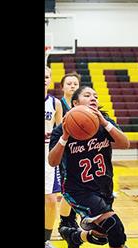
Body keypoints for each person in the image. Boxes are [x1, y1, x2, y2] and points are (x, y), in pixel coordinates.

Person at [48, 86, 138, 248]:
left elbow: (125, 143)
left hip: (103, 188)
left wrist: (104, 123)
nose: (93, 98)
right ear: (74, 104)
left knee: (102, 235)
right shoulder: (62, 129)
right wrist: (65, 136)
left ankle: (73, 236)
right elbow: (52, 161)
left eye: (95, 95)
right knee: (114, 226)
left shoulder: (104, 123)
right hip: (77, 190)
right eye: (87, 95)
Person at [57, 72, 82, 234]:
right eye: (69, 84)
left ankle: (72, 219)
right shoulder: (58, 105)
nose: (72, 86)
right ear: (62, 87)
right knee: (68, 188)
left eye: (75, 84)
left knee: (78, 187)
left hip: (79, 151)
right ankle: (65, 222)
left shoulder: (82, 106)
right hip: (63, 152)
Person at [45, 65, 63, 248]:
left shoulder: (55, 103)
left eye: (47, 76)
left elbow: (61, 131)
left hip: (47, 153)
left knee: (50, 200)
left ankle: (46, 240)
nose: (44, 79)